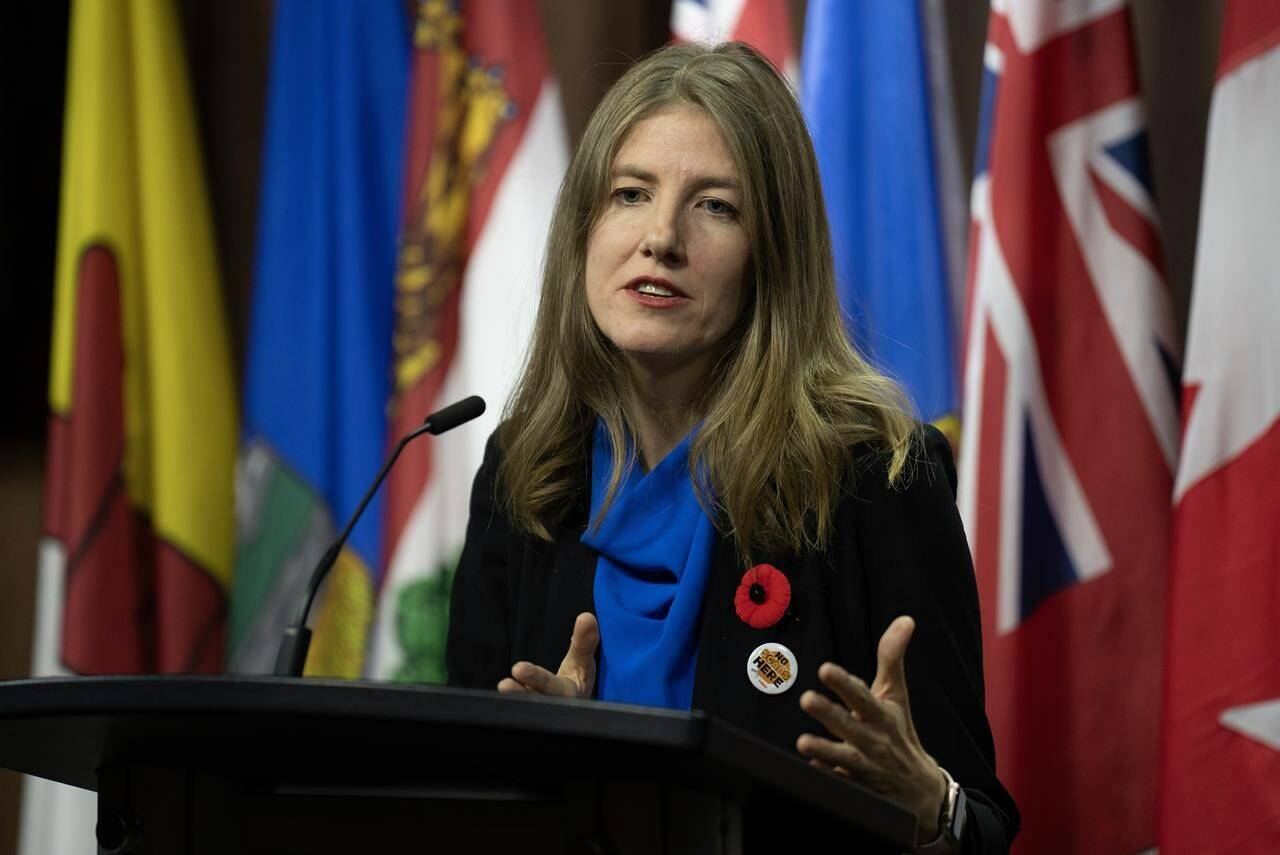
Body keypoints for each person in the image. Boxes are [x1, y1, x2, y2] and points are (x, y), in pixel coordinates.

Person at [445, 41, 1018, 853]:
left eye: (715, 205)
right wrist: (546, 782)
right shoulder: (528, 471)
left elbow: (982, 823)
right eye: (629, 193)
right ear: (583, 228)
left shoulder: (874, 479)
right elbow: (457, 798)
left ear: (772, 256)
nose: (660, 238)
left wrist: (932, 805)